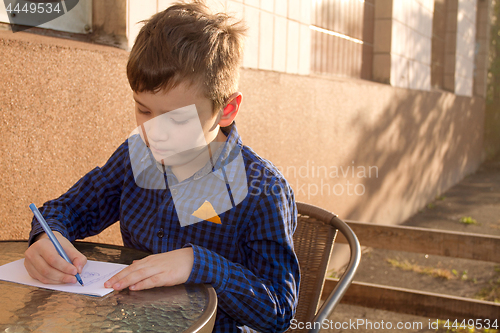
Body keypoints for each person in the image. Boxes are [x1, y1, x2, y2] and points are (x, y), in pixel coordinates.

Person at [24, 1, 299, 331]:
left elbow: (279, 312)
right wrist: (48, 237)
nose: (155, 132)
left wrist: (200, 264)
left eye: (178, 120)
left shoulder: (262, 190)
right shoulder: (136, 155)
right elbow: (67, 209)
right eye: (143, 110)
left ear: (226, 110)